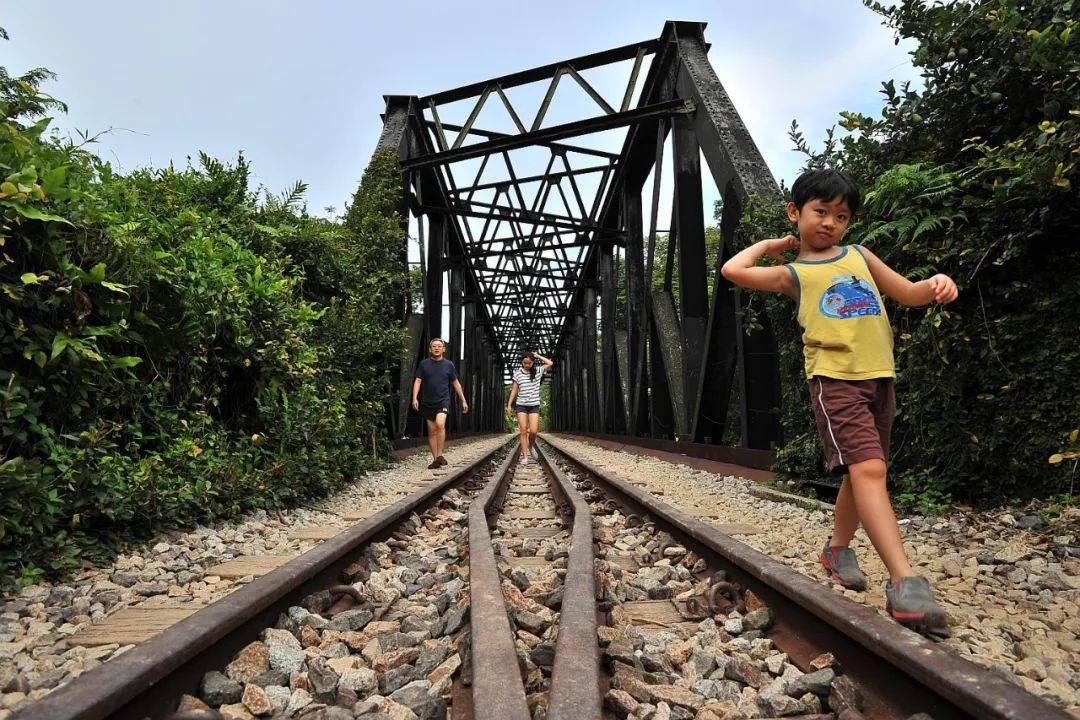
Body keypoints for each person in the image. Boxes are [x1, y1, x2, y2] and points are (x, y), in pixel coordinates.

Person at [720, 168, 958, 628]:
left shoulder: (860, 255)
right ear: (796, 213)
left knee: (860, 469)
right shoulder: (794, 273)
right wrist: (772, 246)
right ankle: (904, 582)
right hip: (834, 379)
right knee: (869, 468)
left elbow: (908, 294)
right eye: (820, 211)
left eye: (841, 215)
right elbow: (734, 270)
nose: (830, 222)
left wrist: (937, 283)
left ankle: (837, 549)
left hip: (879, 377)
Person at [411, 338, 469, 470]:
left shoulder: (449, 365)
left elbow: (455, 383)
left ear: (444, 349)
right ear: (430, 349)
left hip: (443, 400)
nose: (437, 348)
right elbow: (418, 381)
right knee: (431, 432)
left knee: (440, 424)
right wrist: (415, 398)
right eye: (434, 346)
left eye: (439, 346)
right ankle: (436, 459)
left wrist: (463, 400)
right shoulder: (423, 364)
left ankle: (440, 455)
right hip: (427, 401)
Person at [506, 351, 553, 464]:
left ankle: (530, 447)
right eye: (525, 363)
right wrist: (509, 404)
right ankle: (525, 456)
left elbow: (550, 363)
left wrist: (537, 356)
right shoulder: (517, 373)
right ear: (522, 362)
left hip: (534, 405)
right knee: (523, 430)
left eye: (530, 363)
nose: (527, 365)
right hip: (521, 405)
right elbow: (514, 390)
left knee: (533, 431)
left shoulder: (538, 371)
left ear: (533, 362)